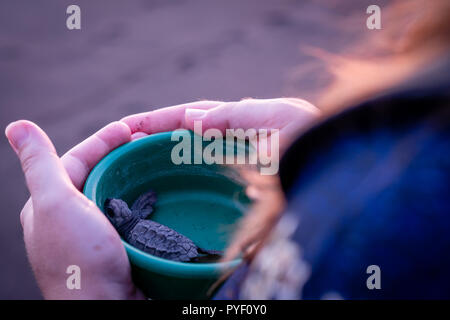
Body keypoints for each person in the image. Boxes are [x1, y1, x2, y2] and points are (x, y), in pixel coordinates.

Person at [5, 0, 450, 299]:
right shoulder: (404, 146)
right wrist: (319, 148)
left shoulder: (400, 220)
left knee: (188, 250)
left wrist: (86, 290)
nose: (124, 206)